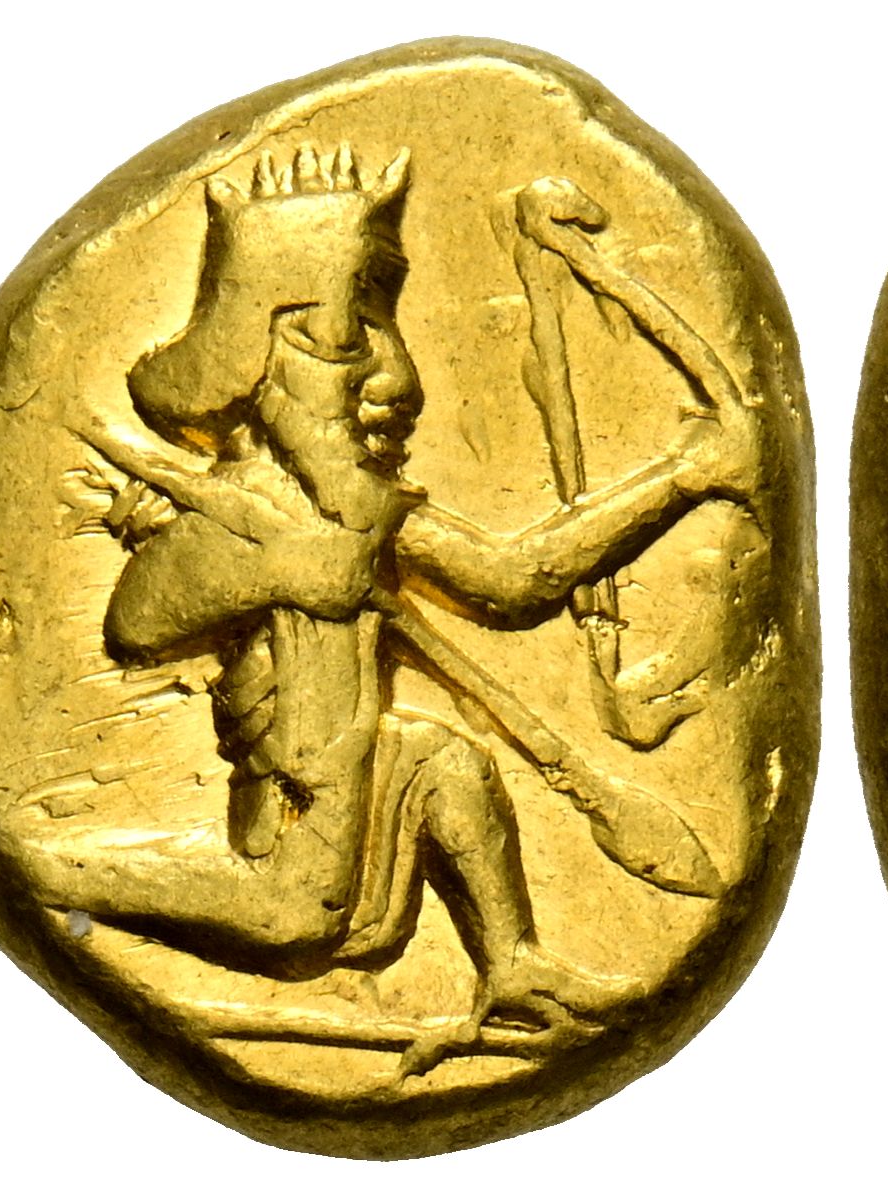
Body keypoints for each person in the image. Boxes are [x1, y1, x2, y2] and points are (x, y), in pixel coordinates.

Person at [69, 142, 762, 1073]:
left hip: (368, 811)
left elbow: (512, 580)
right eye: (341, 342)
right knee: (295, 911)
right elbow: (137, 624)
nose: (394, 380)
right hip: (290, 860)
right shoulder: (240, 517)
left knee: (443, 761)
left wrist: (683, 476)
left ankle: (511, 965)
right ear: (246, 366)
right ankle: (59, 875)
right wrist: (281, 572)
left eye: (383, 336)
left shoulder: (370, 514)